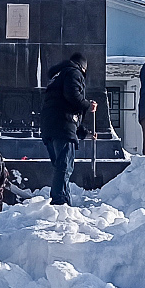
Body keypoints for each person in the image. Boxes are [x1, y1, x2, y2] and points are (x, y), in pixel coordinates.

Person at [39, 52, 97, 206]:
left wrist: (84, 133)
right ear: (83, 68)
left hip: (49, 127)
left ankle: (64, 201)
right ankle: (60, 202)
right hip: (62, 127)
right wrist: (88, 105)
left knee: (59, 167)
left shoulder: (56, 77)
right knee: (64, 167)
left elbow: (64, 107)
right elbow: (72, 96)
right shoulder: (74, 73)